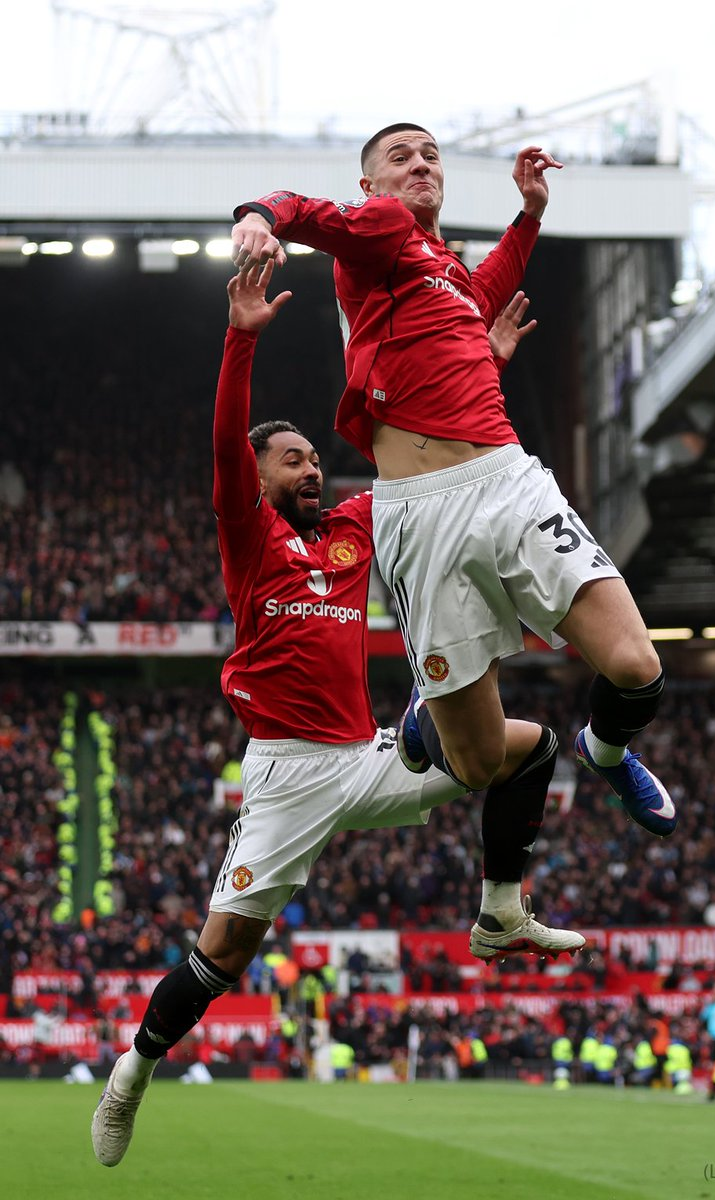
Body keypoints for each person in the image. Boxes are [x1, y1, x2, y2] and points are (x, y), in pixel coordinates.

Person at [91, 264, 582, 1169]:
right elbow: (224, 442)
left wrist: (485, 366)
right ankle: (133, 1072)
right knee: (222, 957)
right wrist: (241, 337)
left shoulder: (357, 527)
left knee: (527, 748)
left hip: (366, 755)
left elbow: (437, 465)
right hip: (286, 773)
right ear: (258, 476)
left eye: (317, 458)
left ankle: (500, 911)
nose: (313, 468)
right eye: (293, 460)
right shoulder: (250, 537)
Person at [230, 123, 678, 843]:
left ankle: (605, 750)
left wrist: (529, 214)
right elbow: (306, 210)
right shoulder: (382, 228)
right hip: (423, 513)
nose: (421, 164)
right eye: (400, 157)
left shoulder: (447, 274)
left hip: (509, 479)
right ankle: (428, 715)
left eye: (431, 155)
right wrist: (260, 215)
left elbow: (486, 288)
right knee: (476, 762)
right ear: (370, 185)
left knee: (636, 665)